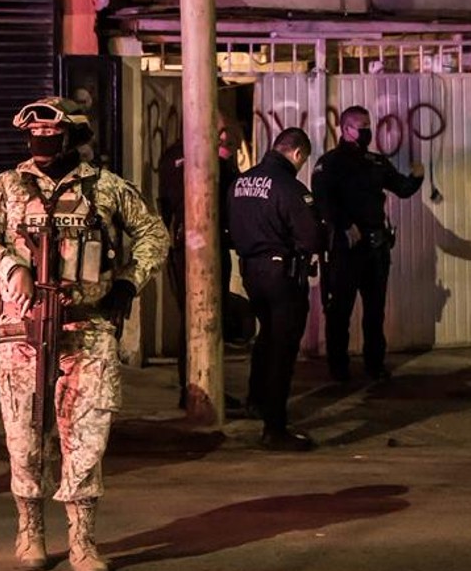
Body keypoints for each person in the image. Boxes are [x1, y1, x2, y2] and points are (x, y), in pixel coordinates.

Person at [0, 97, 169, 571]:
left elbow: (153, 235)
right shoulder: (6, 188)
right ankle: (30, 529)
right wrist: (8, 265)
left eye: (52, 140)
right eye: (33, 139)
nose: (41, 148)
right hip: (24, 331)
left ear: (73, 138)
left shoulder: (108, 189)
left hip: (89, 327)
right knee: (24, 432)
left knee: (87, 437)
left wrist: (128, 282)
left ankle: (82, 540)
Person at [225, 128, 325, 451]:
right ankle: (275, 427)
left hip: (252, 272)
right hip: (282, 274)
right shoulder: (291, 188)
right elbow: (311, 238)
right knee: (282, 349)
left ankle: (256, 400)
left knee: (265, 339)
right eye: (302, 160)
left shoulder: (240, 183)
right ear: (297, 154)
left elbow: (231, 227)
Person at [312, 106, 424, 383]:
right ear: (345, 129)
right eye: (360, 126)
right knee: (340, 311)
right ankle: (339, 369)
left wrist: (417, 177)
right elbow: (323, 202)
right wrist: (344, 224)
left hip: (375, 247)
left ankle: (375, 364)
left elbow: (402, 188)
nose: (366, 131)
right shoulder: (330, 163)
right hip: (346, 248)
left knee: (375, 311)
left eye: (368, 125)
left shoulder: (376, 162)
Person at [157, 118, 244, 412]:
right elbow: (232, 195)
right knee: (203, 317)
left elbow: (164, 203)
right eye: (217, 128)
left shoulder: (171, 155)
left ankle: (199, 386)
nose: (222, 134)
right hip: (201, 246)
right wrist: (225, 163)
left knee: (195, 318)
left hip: (186, 244)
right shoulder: (205, 157)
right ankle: (199, 389)